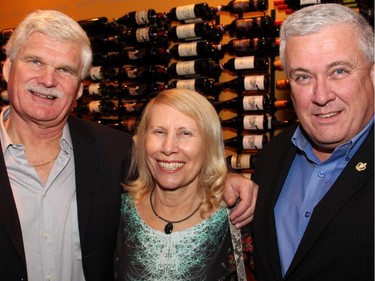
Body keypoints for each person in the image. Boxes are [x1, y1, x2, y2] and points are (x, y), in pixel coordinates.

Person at [0, 9, 258, 281]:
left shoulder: (113, 151)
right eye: (35, 61)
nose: (48, 80)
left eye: (65, 69)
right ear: (6, 68)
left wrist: (227, 179)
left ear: (79, 88)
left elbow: (170, 172)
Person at [252, 4, 374, 281]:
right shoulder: (272, 156)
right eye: (303, 77)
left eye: (339, 71)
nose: (320, 96)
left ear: (373, 73)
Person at [114, 88, 256, 280]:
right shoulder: (117, 212)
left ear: (209, 144)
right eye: (159, 131)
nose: (168, 147)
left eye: (185, 133)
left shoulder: (239, 217)